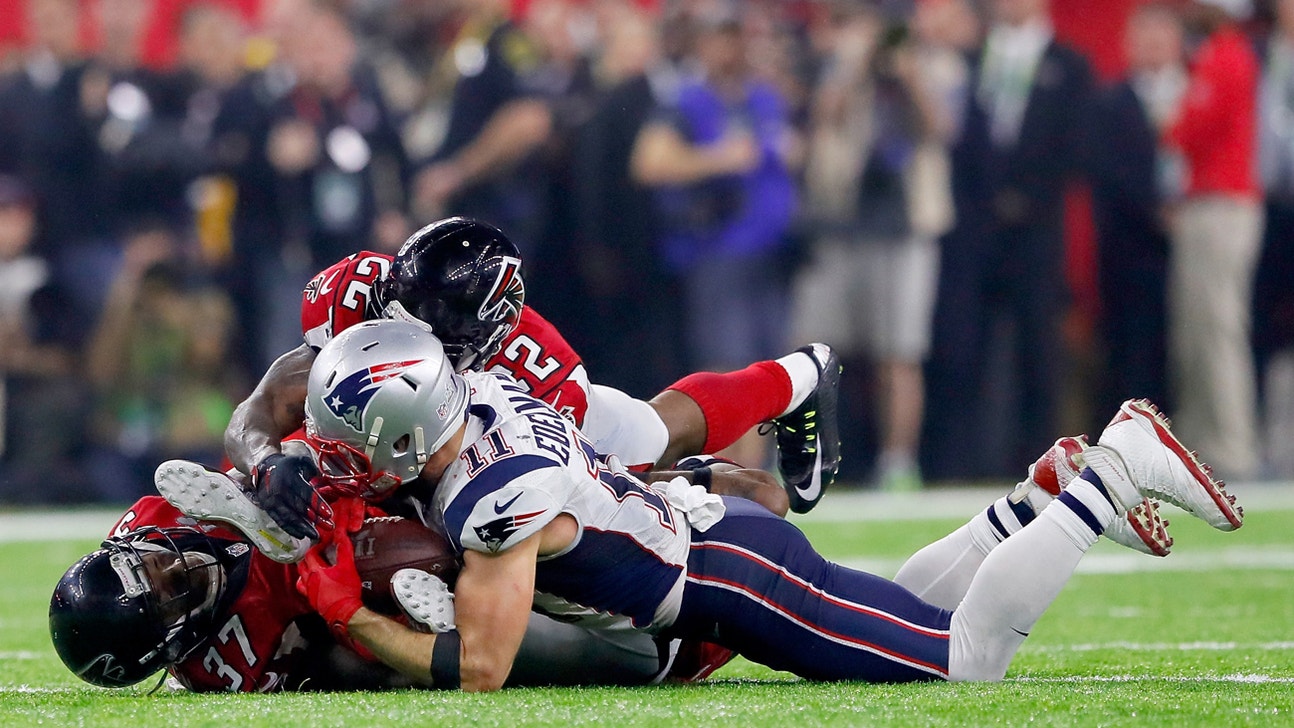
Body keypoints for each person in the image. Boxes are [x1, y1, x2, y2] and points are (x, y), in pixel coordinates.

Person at [287, 319, 1238, 691]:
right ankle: (1027, 507)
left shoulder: (493, 499)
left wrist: (344, 612)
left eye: (349, 430)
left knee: (966, 663)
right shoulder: (485, 396)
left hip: (730, 579)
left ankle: (1112, 472)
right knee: (921, 617)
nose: (338, 449)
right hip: (717, 542)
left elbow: (482, 668)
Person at [223, 216, 840, 548]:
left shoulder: (537, 375)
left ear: (482, 342)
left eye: (426, 338)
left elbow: (570, 495)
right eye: (395, 320)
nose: (398, 343)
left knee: (651, 441)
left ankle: (799, 378)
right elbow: (264, 405)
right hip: (418, 437)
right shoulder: (353, 295)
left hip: (543, 434)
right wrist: (265, 463)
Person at [49, 493, 685, 691]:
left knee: (436, 521)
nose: (175, 564)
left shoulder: (154, 515)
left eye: (153, 560)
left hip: (345, 509)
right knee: (382, 629)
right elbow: (336, 671)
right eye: (170, 593)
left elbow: (289, 454)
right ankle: (440, 631)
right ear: (178, 641)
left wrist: (282, 482)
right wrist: (357, 620)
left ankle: (642, 497)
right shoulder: (226, 665)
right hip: (336, 600)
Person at [1164, 0, 1263, 480]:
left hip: (1222, 205)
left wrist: (1171, 122)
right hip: (1208, 204)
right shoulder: (1218, 52)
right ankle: (1205, 447)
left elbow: (1190, 128)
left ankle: (1233, 448)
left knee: (1218, 329)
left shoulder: (1226, 55)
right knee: (1198, 334)